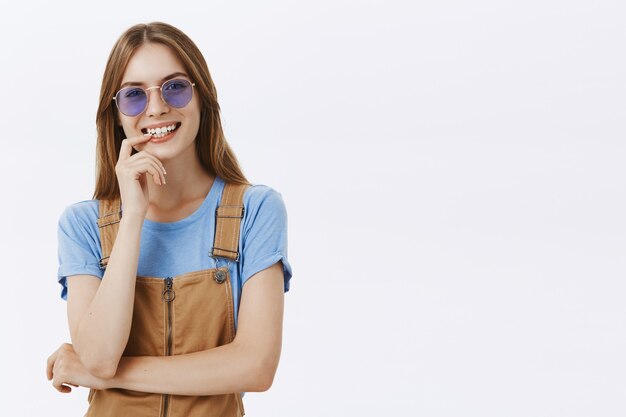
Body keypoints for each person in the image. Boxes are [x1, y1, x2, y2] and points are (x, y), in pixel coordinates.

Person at [45, 22, 292, 417]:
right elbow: (98, 356)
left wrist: (107, 377)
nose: (157, 107)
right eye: (134, 96)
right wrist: (133, 218)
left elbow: (256, 367)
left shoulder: (255, 211)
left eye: (175, 86)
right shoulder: (82, 225)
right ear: (117, 115)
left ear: (202, 96)